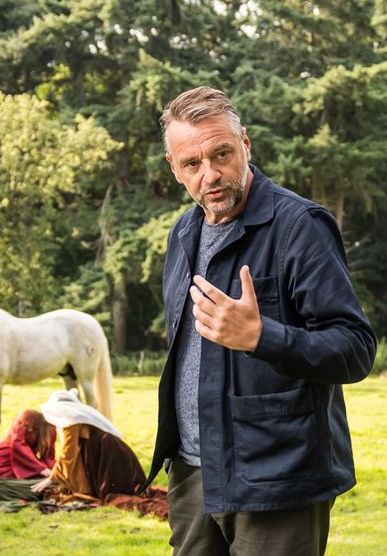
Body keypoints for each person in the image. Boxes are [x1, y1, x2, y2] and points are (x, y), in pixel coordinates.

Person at [142, 86, 376, 555]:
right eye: (192, 164)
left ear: (245, 144)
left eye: (222, 153)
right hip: (193, 475)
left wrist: (260, 336)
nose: (210, 174)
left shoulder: (300, 226)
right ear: (174, 168)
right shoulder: (183, 234)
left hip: (278, 480)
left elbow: (354, 349)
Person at [31, 390, 151, 504]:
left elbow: (68, 453)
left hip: (109, 453)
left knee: (112, 491)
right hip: (103, 449)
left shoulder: (71, 419)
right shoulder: (74, 417)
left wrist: (52, 478)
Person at [0, 409, 56, 479]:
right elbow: (17, 442)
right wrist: (40, 468)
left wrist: (53, 472)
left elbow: (49, 456)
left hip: (29, 460)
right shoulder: (27, 418)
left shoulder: (51, 430)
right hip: (8, 454)